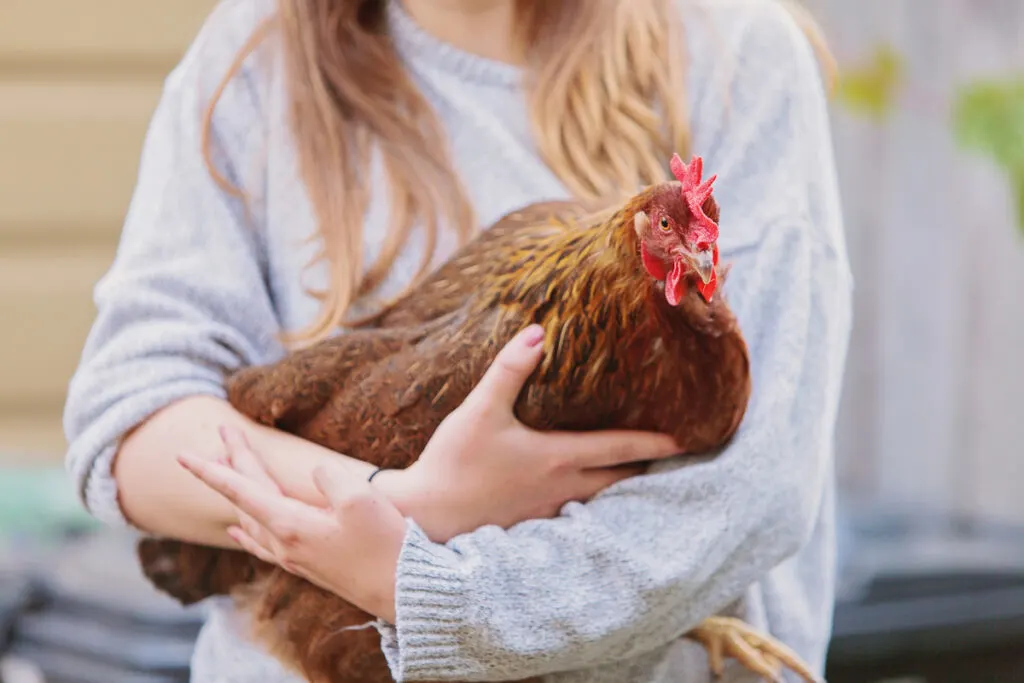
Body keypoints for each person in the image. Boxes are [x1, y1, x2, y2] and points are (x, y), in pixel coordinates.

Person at [62, 0, 854, 680]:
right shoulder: (255, 53)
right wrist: (409, 506)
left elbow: (759, 485)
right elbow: (131, 420)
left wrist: (432, 585)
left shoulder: (731, 51)